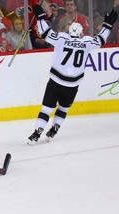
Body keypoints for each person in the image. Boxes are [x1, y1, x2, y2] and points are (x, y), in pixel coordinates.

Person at [27, 4, 118, 145]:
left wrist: (40, 17)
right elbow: (100, 40)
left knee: (46, 109)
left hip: (56, 81)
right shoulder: (86, 42)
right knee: (63, 109)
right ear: (81, 33)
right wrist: (108, 24)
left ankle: (37, 131)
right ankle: (55, 128)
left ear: (69, 31)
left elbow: (45, 33)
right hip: (72, 85)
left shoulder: (62, 39)